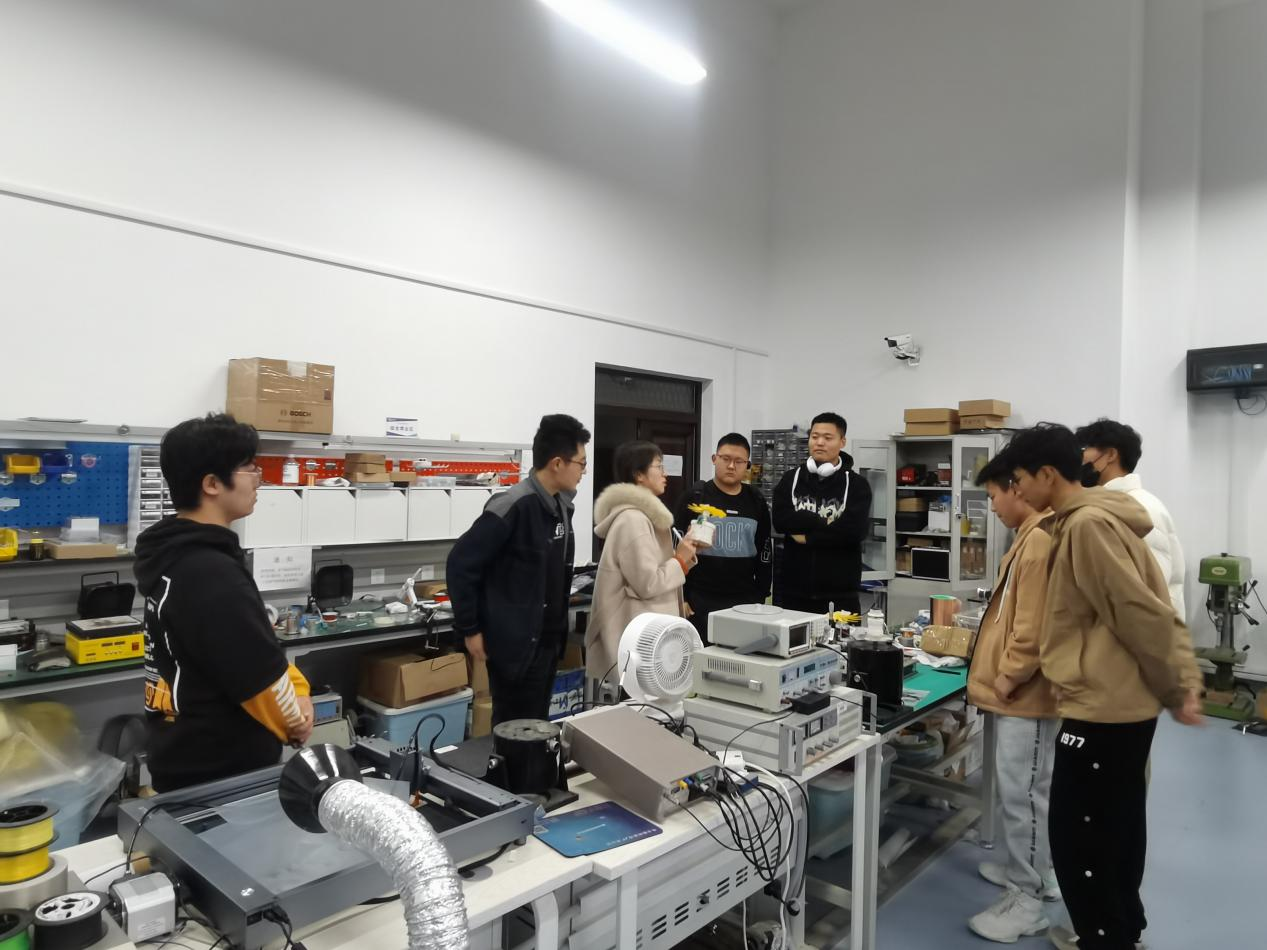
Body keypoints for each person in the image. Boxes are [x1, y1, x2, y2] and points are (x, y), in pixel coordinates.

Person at [1006, 424, 1203, 950]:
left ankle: (1104, 938)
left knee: (1082, 842)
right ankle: (1123, 932)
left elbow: (1139, 612)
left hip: (1105, 706)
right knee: (1117, 829)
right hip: (1115, 700)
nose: (1016, 491)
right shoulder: (1091, 519)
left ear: (1048, 474)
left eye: (1020, 479)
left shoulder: (1088, 526)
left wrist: (1179, 684)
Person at [135, 413, 313, 792]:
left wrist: (297, 690)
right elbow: (258, 677)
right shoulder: (210, 573)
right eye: (248, 468)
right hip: (221, 775)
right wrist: (295, 720)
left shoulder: (173, 556)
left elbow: (256, 650)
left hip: (183, 757)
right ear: (212, 484)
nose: (258, 477)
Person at [964, 451, 1060, 943]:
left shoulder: (1040, 540)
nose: (994, 506)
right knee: (1021, 791)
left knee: (1025, 796)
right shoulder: (1028, 536)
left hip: (1028, 695)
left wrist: (1008, 678)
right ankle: (1032, 873)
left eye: (994, 496)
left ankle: (1028, 900)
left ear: (1018, 489)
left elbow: (1034, 627)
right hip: (1019, 693)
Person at [447, 414, 589, 725]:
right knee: (513, 730)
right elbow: (460, 564)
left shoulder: (560, 506)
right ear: (557, 463)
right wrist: (470, 629)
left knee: (535, 728)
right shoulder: (513, 505)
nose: (584, 471)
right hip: (515, 646)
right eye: (581, 463)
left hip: (547, 643)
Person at [587, 441, 699, 685]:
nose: (665, 474)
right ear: (639, 475)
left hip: (646, 636)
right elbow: (648, 583)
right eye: (659, 466)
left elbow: (656, 572)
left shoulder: (644, 517)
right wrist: (679, 559)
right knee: (634, 706)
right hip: (635, 641)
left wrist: (687, 553)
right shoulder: (633, 520)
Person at [1075, 418, 1186, 618]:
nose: (1077, 460)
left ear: (1110, 455)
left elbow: (1151, 586)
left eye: (1083, 450)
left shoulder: (1139, 507)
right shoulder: (1107, 504)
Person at [673, 433, 773, 641]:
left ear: (747, 465)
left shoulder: (756, 500)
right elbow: (675, 548)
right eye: (725, 459)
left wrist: (761, 594)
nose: (731, 466)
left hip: (744, 601)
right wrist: (681, 595)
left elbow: (765, 550)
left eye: (739, 461)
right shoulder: (695, 496)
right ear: (714, 459)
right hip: (700, 600)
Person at [771, 412, 873, 615]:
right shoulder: (790, 479)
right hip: (793, 592)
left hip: (841, 595)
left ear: (842, 442)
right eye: (814, 436)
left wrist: (807, 537)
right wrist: (822, 521)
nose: (819, 443)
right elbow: (781, 520)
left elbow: (854, 531)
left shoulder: (857, 485)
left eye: (827, 438)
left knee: (842, 638)